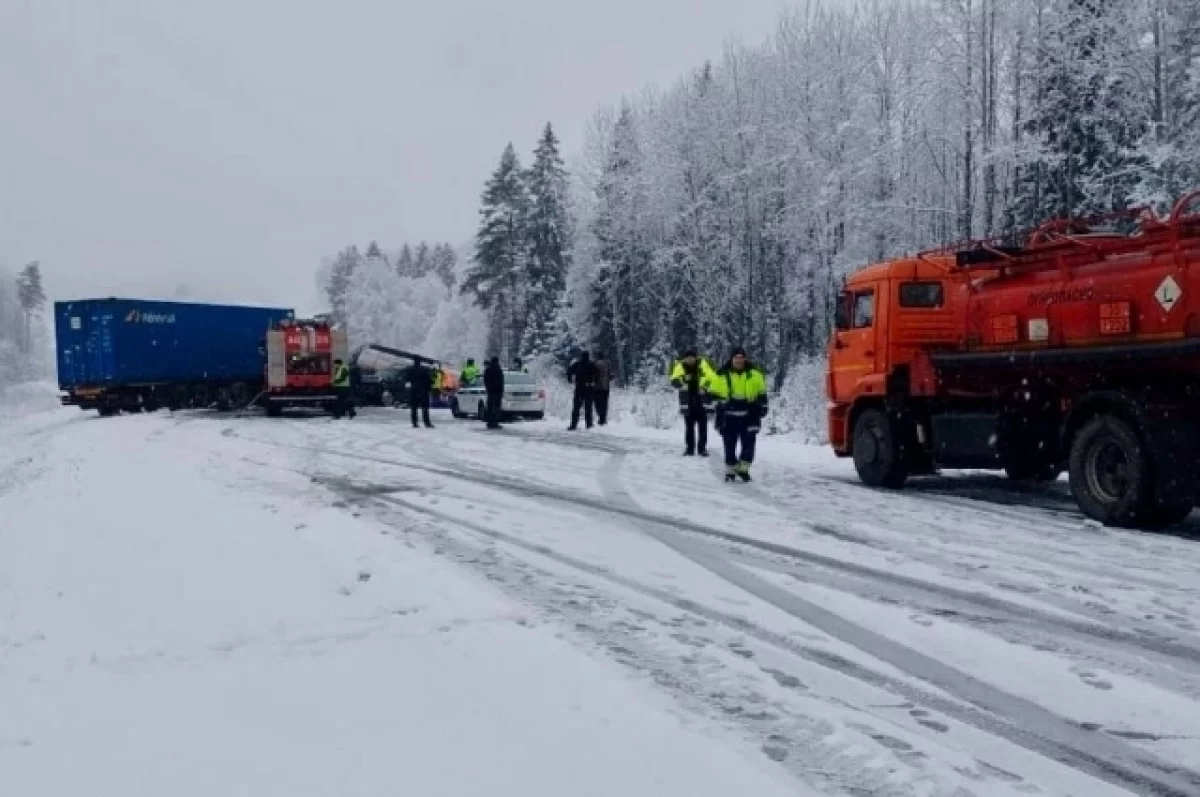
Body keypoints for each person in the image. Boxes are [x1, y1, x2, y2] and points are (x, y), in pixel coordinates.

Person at [707, 347, 768, 482]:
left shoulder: (755, 374)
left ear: (745, 359)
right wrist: (711, 400)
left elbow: (762, 393)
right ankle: (730, 472)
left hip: (749, 416)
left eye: (741, 357)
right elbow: (711, 393)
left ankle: (743, 469)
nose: (739, 360)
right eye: (736, 357)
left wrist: (763, 406)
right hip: (728, 416)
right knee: (729, 446)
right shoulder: (721, 374)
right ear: (732, 359)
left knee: (749, 447)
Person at [670, 349, 717, 456]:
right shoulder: (680, 366)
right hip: (688, 403)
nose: (689, 360)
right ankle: (689, 449)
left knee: (703, 428)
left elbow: (712, 378)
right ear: (684, 359)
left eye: (692, 357)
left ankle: (702, 449)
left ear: (696, 358)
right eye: (687, 358)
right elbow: (674, 381)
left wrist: (704, 387)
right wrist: (683, 380)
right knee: (689, 428)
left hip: (702, 402)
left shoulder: (703, 365)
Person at [566, 351, 598, 430]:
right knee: (588, 408)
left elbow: (569, 371)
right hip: (588, 388)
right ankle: (589, 424)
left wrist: (569, 379)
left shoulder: (578, 364)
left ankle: (574, 424)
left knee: (576, 408)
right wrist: (595, 384)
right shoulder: (591, 365)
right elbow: (597, 375)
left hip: (579, 388)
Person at [406, 357, 434, 429]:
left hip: (413, 390)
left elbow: (407, 380)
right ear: (420, 362)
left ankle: (414, 423)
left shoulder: (410, 369)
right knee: (425, 408)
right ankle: (427, 423)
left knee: (414, 408)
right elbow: (429, 380)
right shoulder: (425, 369)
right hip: (423, 391)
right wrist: (429, 388)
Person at [483, 356, 505, 429]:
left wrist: (488, 388)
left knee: (490, 407)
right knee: (496, 407)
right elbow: (501, 382)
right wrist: (502, 391)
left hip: (490, 392)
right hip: (497, 392)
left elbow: (485, 381)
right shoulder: (498, 370)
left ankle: (490, 422)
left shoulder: (488, 370)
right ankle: (494, 422)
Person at [593, 352, 612, 426]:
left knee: (597, 403)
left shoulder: (594, 364)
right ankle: (603, 418)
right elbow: (610, 375)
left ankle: (601, 417)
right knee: (604, 403)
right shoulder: (608, 364)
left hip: (597, 387)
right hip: (606, 387)